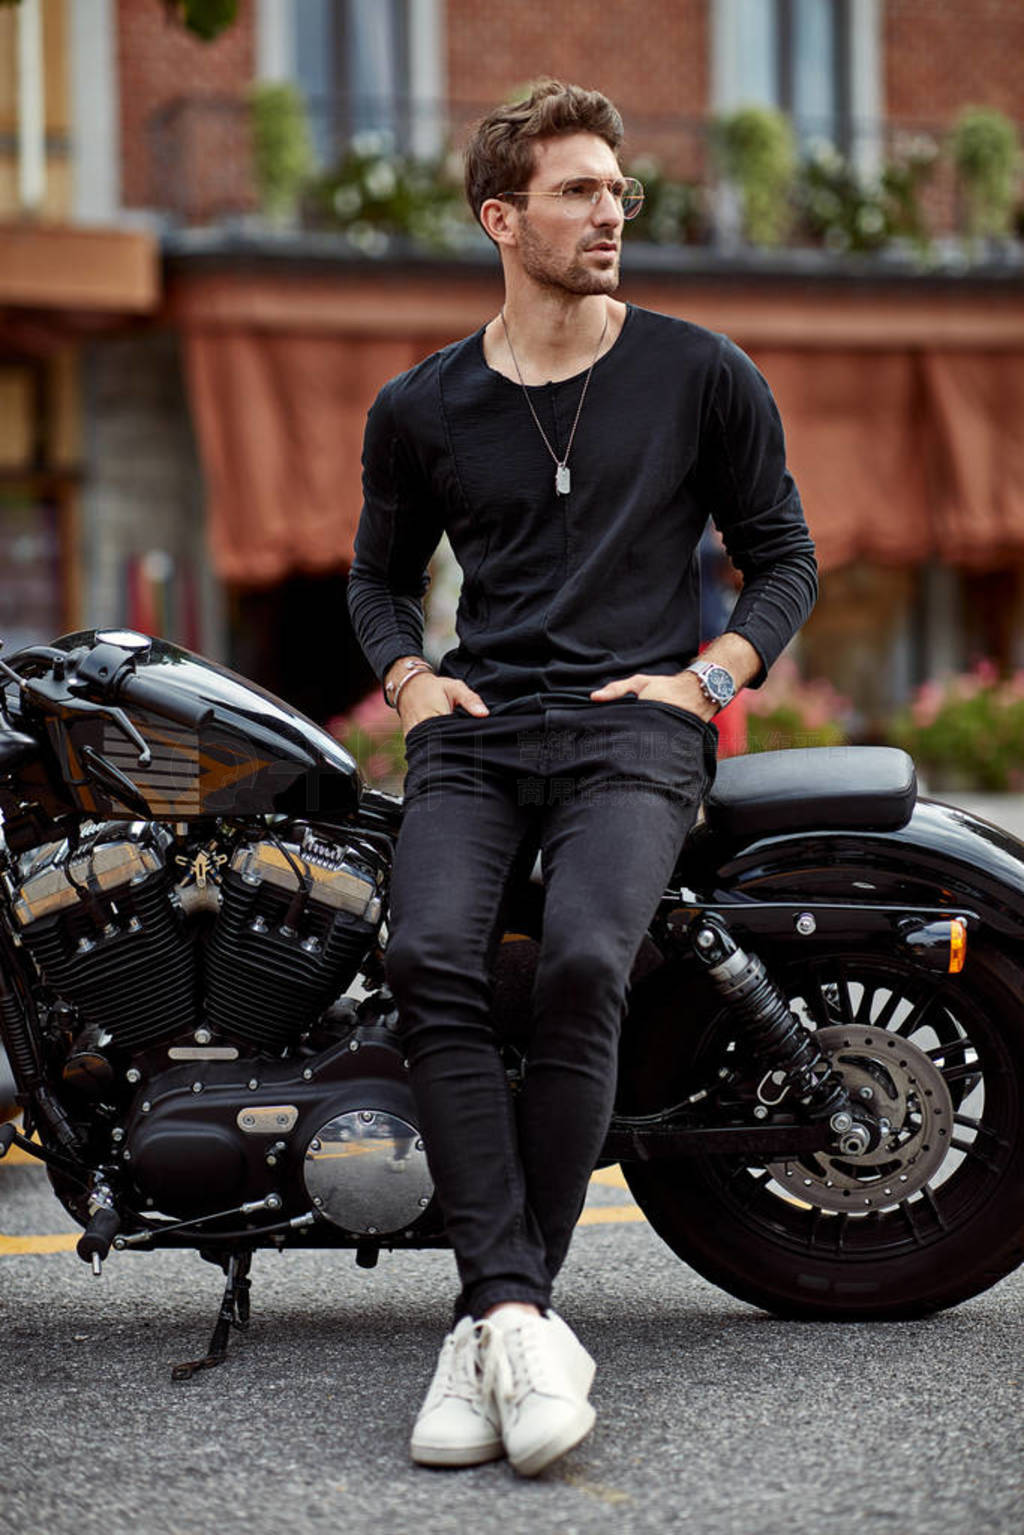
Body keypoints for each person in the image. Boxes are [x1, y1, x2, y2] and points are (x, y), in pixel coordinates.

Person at [348, 80, 817, 1477]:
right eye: (578, 190)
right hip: (481, 730)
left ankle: (495, 1311)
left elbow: (783, 558)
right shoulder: (422, 405)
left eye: (618, 188)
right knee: (428, 952)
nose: (613, 210)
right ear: (502, 217)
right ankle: (514, 1315)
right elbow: (375, 579)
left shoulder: (701, 371)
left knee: (582, 963)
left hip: (637, 731)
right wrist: (412, 680)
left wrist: (708, 678)